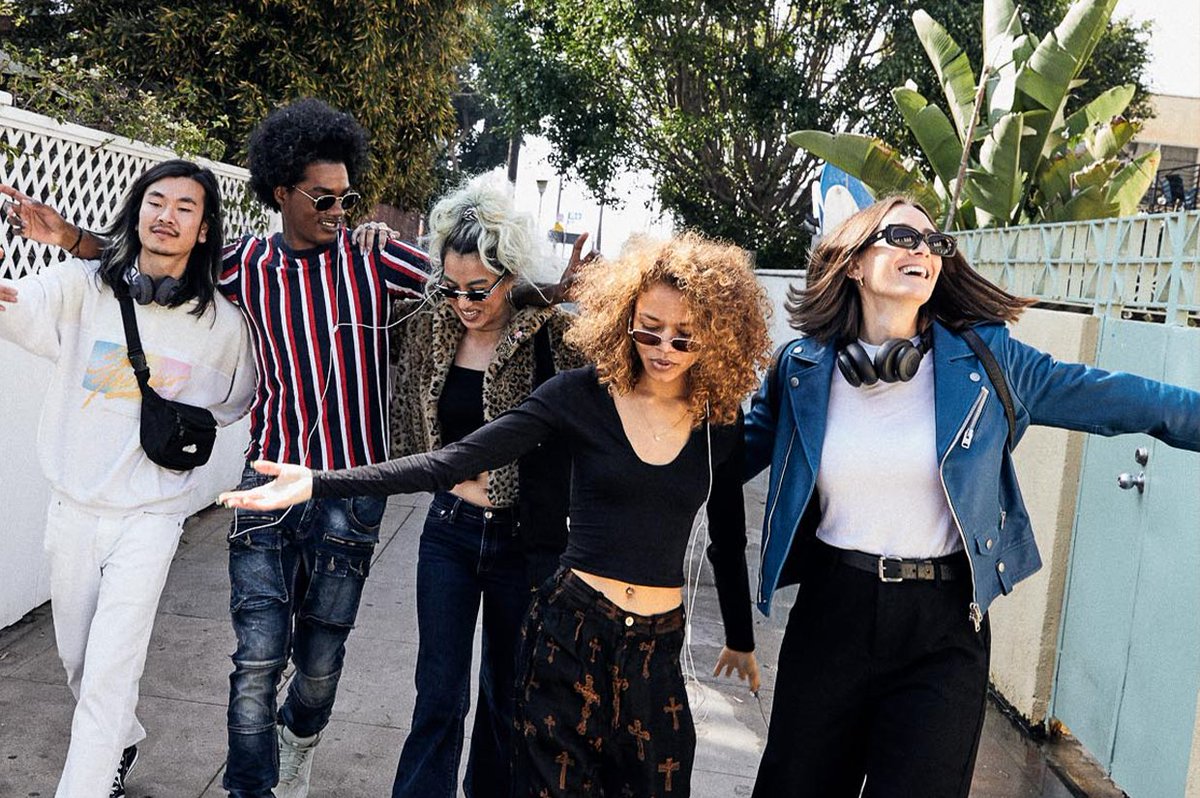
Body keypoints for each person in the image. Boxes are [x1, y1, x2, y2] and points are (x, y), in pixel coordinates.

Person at [218, 231, 773, 797]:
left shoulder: (719, 423)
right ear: (623, 318)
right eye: (648, 329)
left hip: (657, 647)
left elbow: (728, 535)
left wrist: (740, 637)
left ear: (717, 335)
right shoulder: (580, 395)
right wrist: (319, 482)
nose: (663, 348)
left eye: (684, 337)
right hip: (571, 632)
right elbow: (452, 460)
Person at [2, 99, 431, 798]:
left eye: (347, 198)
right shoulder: (244, 266)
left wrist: (545, 292)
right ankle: (207, 772)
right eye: (323, 198)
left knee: (317, 662)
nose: (339, 212)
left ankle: (292, 744)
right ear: (281, 193)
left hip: (346, 491)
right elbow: (155, 260)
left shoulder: (371, 255)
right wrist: (74, 239)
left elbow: (463, 292)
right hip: (261, 487)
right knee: (235, 660)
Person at [742, 196, 1200, 798]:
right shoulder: (802, 369)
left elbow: (1118, 398)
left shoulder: (986, 360)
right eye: (903, 236)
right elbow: (721, 458)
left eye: (935, 243)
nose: (924, 250)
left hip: (942, 627)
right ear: (853, 262)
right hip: (832, 613)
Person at [0, 159, 256, 798]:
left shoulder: (223, 325)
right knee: (78, 661)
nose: (166, 216)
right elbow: (19, 307)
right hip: (74, 508)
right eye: (155, 201)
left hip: (151, 517)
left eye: (185, 207)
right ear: (137, 212)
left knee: (110, 670)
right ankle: (123, 740)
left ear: (204, 229)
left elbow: (235, 402)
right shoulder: (81, 286)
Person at [374, 174, 587, 797]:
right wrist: (369, 237)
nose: (464, 302)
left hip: (525, 540)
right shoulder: (430, 327)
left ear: (510, 276)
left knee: (507, 694)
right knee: (438, 694)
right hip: (450, 533)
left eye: (479, 289)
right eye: (452, 287)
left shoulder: (552, 337)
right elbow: (356, 298)